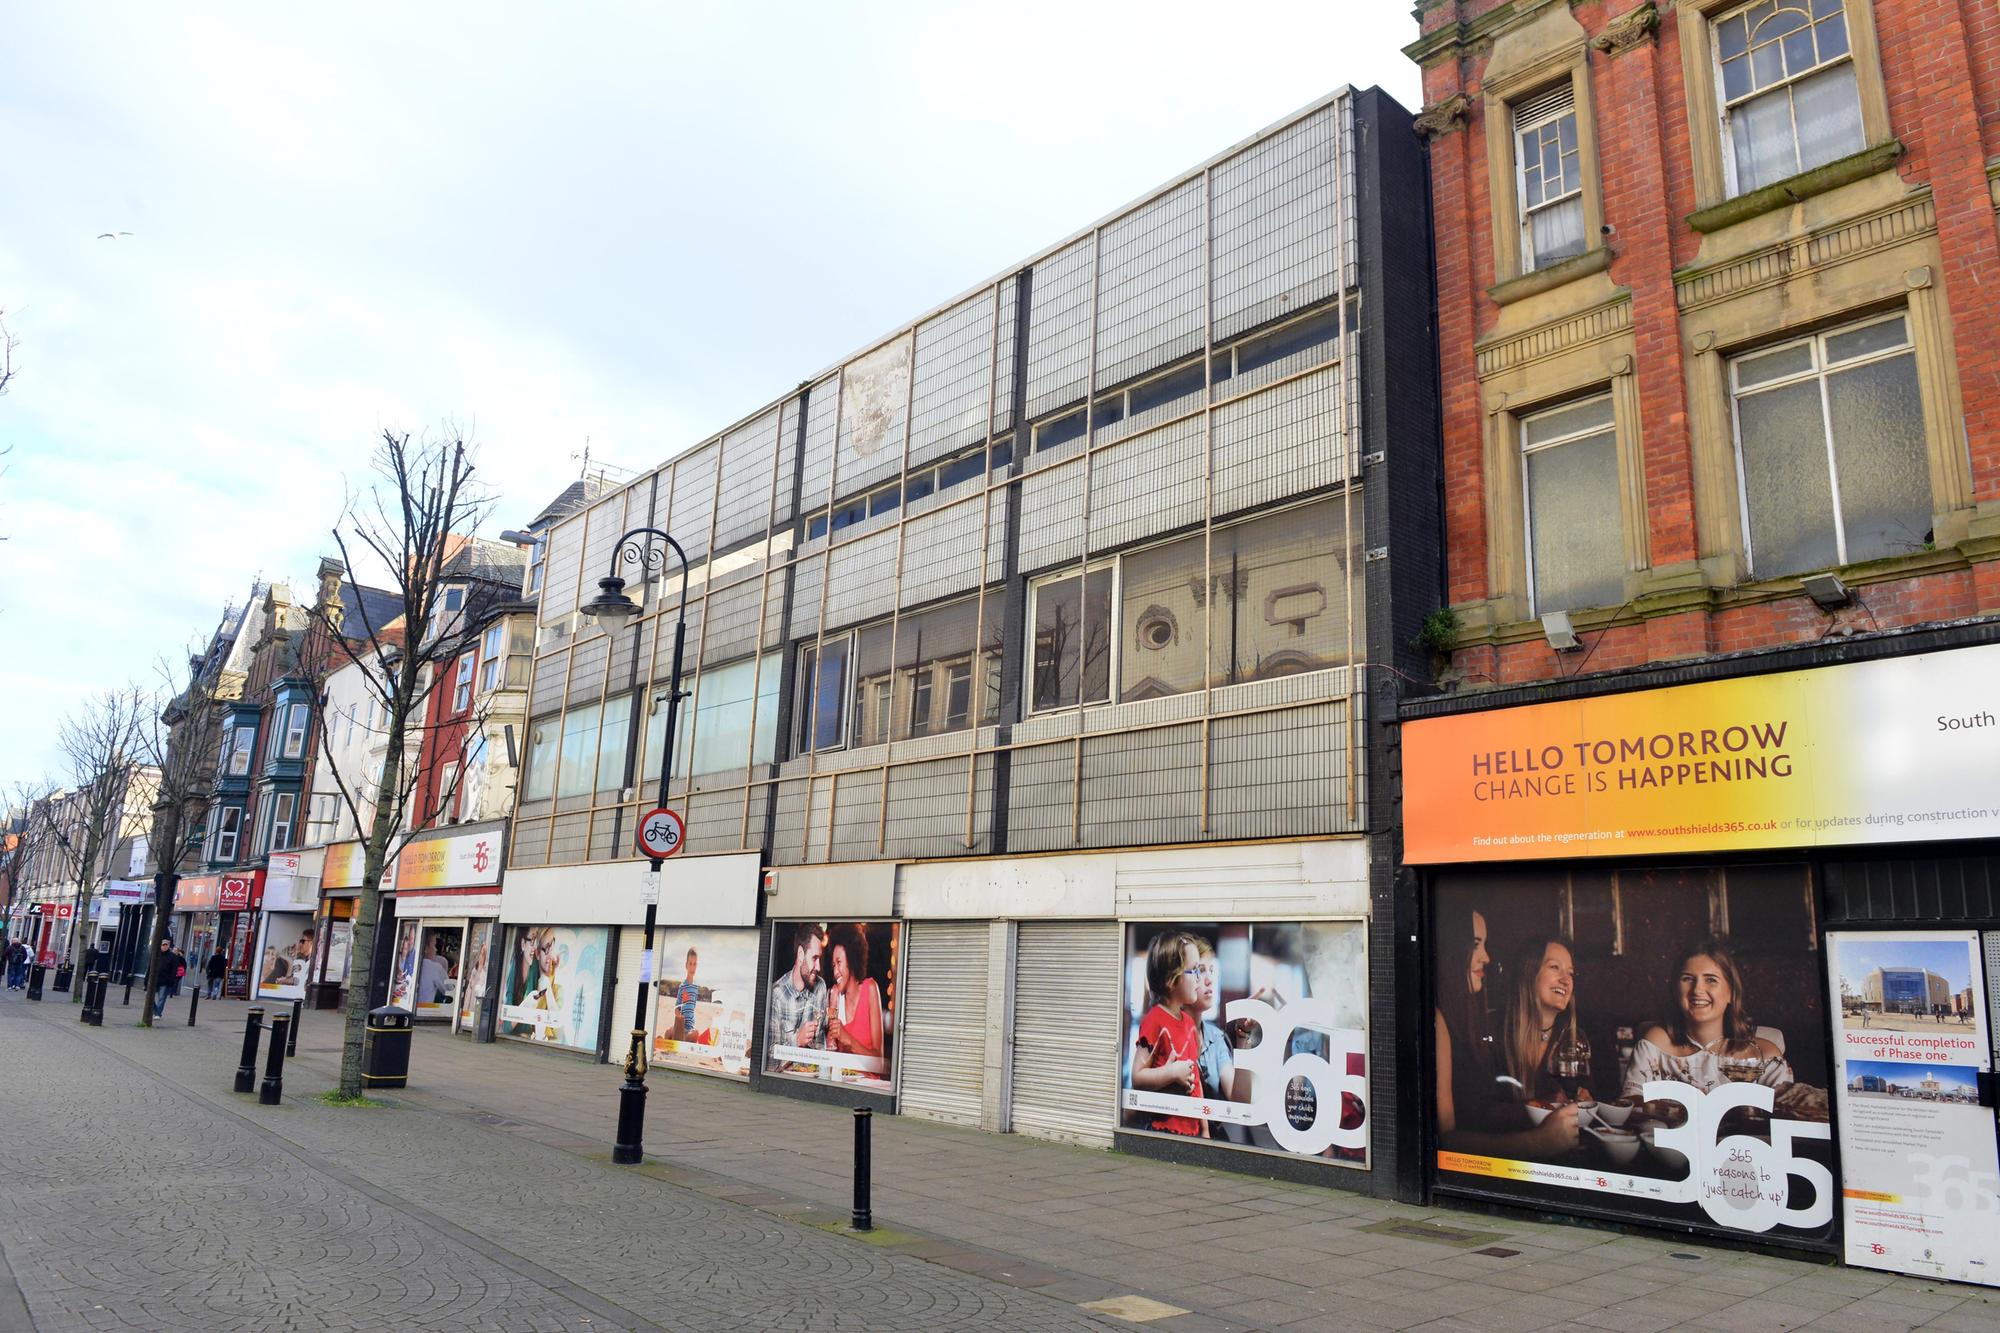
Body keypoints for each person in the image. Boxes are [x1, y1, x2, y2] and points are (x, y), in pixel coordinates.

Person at [1624, 940, 1790, 1096]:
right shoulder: (1656, 1044)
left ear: (1731, 993)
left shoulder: (1766, 1055)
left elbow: (1785, 1112)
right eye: (1687, 979)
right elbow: (1633, 1103)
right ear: (1675, 990)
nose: (1697, 990)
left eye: (1711, 980)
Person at [1130, 930, 1206, 1137]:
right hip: (1162, 1129)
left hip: (1191, 1129)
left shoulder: (1189, 1023)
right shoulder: (1155, 1020)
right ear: (1170, 979)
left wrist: (1205, 1128)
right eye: (1193, 970)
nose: (1199, 978)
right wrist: (1172, 1073)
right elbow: (1137, 1076)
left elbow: (1196, 1080)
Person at [824, 925, 885, 1062]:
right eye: (833, 965)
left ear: (852, 960)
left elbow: (879, 1062)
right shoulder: (835, 997)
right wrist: (832, 1006)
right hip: (842, 1076)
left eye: (839, 962)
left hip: (867, 1076)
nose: (835, 972)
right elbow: (829, 1047)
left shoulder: (870, 989)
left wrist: (848, 1040)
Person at [768, 923, 828, 1060]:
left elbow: (821, 1046)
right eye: (814, 958)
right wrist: (797, 1041)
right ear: (801, 954)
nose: (818, 967)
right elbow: (769, 1061)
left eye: (819, 959)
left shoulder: (820, 987)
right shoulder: (776, 994)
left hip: (812, 1072)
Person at [670, 948, 702, 1042]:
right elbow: (676, 1008)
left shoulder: (696, 987)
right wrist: (680, 1015)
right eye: (690, 963)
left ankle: (683, 1038)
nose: (692, 967)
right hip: (681, 1025)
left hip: (690, 1027)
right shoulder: (682, 986)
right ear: (686, 965)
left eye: (694, 964)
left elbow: (693, 1008)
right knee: (668, 1032)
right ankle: (681, 1037)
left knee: (696, 1033)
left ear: (697, 966)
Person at [416, 936, 453, 1004]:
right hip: (425, 1009)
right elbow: (450, 990)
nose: (436, 949)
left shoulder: (411, 964)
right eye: (434, 945)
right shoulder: (434, 967)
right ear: (426, 948)